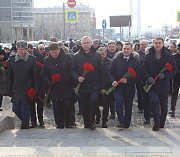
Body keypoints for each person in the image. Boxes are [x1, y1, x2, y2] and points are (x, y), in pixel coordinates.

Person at [142, 37, 177, 131]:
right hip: (152, 84)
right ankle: (156, 122)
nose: (157, 44)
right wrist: (148, 77)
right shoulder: (148, 56)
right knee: (154, 101)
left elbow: (174, 70)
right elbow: (144, 70)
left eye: (159, 43)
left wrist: (165, 75)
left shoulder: (168, 56)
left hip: (164, 85)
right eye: (156, 43)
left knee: (164, 106)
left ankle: (162, 122)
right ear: (153, 44)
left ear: (163, 44)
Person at [71, 36, 105, 130]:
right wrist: (77, 78)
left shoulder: (97, 55)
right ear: (81, 44)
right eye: (84, 43)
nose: (86, 45)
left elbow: (101, 71)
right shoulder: (77, 56)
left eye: (87, 43)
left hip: (95, 83)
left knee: (94, 100)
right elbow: (72, 71)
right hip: (83, 85)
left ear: (91, 43)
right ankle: (87, 122)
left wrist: (102, 87)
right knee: (84, 105)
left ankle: (92, 120)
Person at [7, 40, 38, 129]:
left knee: (25, 109)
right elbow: (10, 76)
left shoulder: (31, 60)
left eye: (22, 49)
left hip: (27, 88)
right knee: (15, 108)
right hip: (16, 88)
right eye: (19, 49)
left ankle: (25, 125)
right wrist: (8, 90)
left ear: (26, 50)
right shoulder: (12, 60)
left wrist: (35, 89)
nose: (20, 51)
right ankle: (25, 122)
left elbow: (35, 76)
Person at [109, 42, 140, 128]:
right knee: (119, 101)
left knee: (128, 105)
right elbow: (110, 72)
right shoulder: (116, 60)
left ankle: (127, 123)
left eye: (128, 49)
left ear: (131, 50)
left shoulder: (135, 62)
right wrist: (113, 81)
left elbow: (138, 76)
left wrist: (128, 81)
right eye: (124, 49)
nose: (125, 50)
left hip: (129, 88)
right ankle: (121, 120)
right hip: (118, 87)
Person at [43, 42, 73, 129]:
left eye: (55, 52)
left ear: (59, 50)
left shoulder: (67, 57)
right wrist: (48, 82)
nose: (54, 54)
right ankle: (59, 125)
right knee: (56, 108)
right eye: (52, 52)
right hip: (54, 87)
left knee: (67, 106)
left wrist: (73, 85)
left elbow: (72, 71)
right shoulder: (47, 60)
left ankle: (67, 123)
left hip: (66, 86)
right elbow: (44, 74)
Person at [97, 47, 112, 128]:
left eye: (102, 54)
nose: (101, 56)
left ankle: (104, 120)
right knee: (95, 103)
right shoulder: (95, 62)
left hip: (107, 87)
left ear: (106, 53)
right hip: (97, 86)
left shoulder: (110, 62)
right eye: (100, 54)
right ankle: (98, 115)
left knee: (106, 105)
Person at [136, 40, 148, 113]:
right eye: (142, 44)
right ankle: (140, 107)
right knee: (139, 92)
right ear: (140, 45)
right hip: (139, 76)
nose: (144, 45)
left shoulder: (150, 52)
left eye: (145, 44)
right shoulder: (137, 54)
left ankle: (147, 107)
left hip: (147, 76)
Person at [169, 43, 180, 117]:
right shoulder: (174, 56)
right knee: (174, 93)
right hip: (176, 77)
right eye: (179, 49)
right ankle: (172, 109)